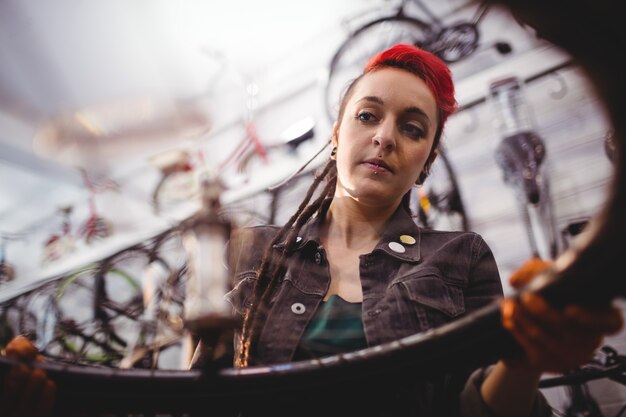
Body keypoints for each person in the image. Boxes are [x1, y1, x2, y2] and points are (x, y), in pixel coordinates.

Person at [0, 43, 623, 417]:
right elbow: (193, 401)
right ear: (337, 134)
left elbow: (480, 408)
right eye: (368, 115)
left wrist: (529, 357)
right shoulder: (248, 250)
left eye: (412, 127)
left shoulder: (460, 256)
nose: (384, 135)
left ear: (426, 159)